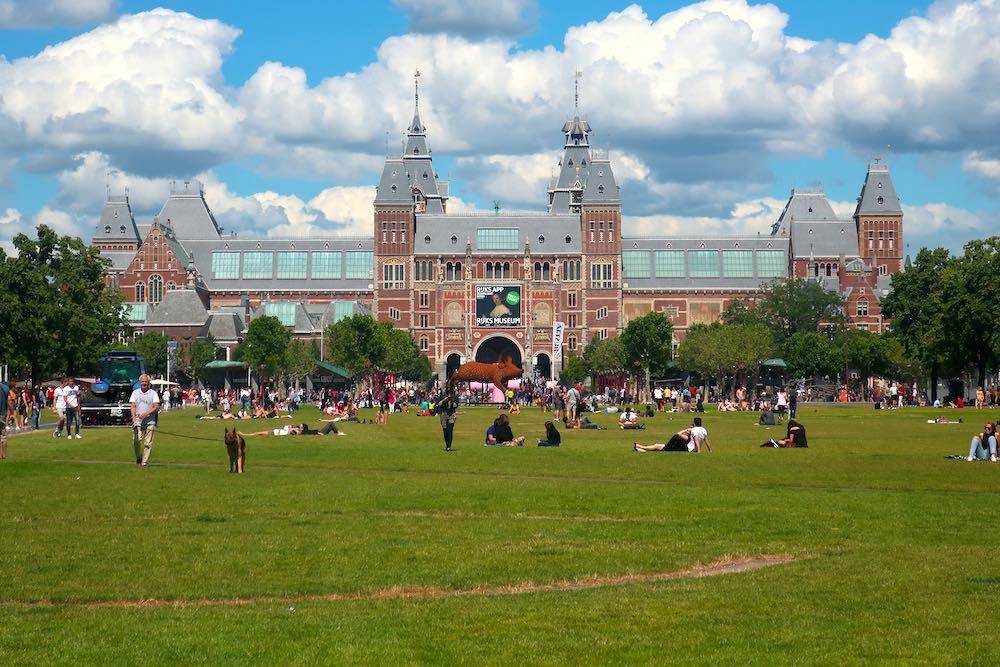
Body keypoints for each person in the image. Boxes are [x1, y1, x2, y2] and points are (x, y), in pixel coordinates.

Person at [130, 374, 160, 466]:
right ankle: (139, 457)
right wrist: (134, 418)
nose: (144, 384)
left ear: (149, 383)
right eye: (142, 382)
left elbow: (157, 407)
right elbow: (133, 406)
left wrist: (147, 413)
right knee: (137, 440)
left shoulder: (153, 393)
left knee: (148, 443)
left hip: (150, 421)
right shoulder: (135, 393)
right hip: (138, 421)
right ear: (140, 382)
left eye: (146, 382)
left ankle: (144, 462)